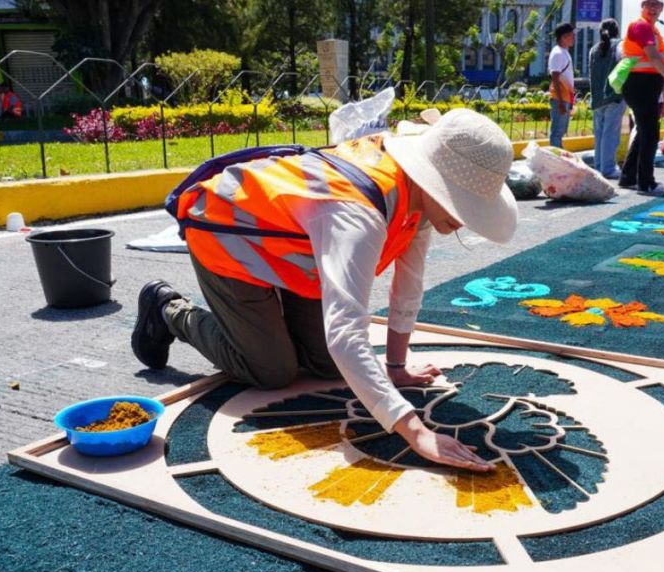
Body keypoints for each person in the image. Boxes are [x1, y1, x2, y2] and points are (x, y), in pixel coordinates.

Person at [132, 109, 518, 472]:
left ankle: (266, 325)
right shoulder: (358, 217)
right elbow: (345, 334)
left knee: (330, 366)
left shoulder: (419, 195)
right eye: (462, 206)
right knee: (272, 370)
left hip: (298, 252)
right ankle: (170, 310)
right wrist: (415, 432)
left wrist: (396, 369)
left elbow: (409, 284)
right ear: (435, 181)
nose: (464, 220)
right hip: (228, 238)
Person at [619, 0, 664, 194]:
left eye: (657, 5)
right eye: (649, 4)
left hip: (647, 83)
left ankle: (628, 176)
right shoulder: (641, 25)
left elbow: (658, 59)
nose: (653, 9)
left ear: (662, 9)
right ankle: (646, 182)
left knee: (645, 131)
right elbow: (653, 56)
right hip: (639, 83)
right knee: (650, 133)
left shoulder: (653, 29)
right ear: (642, 6)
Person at [588, 18, 627, 179]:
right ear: (617, 31)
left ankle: (599, 166)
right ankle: (608, 168)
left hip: (597, 98)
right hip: (614, 95)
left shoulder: (593, 49)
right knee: (611, 134)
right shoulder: (620, 45)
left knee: (600, 135)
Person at [548, 23, 576, 150]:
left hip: (565, 97)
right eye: (571, 35)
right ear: (564, 37)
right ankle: (556, 160)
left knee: (560, 131)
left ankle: (558, 157)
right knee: (557, 132)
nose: (574, 38)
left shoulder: (564, 52)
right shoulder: (558, 53)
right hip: (560, 98)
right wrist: (559, 101)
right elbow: (555, 76)